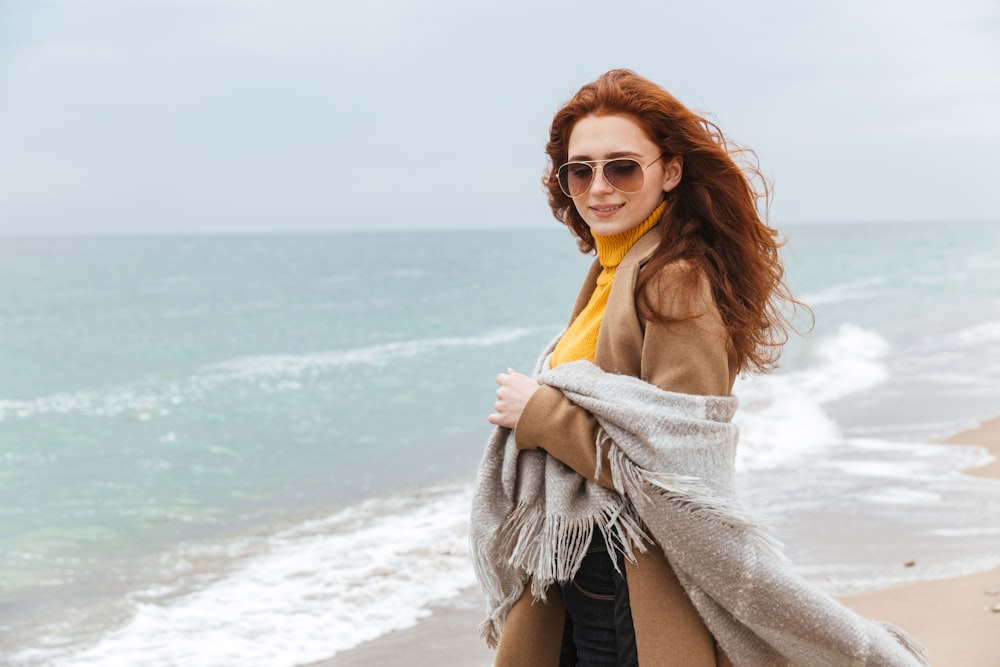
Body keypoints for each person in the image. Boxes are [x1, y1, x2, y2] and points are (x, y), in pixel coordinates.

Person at [471, 69, 926, 666]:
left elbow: (681, 473)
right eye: (580, 170)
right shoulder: (614, 271)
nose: (599, 187)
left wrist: (541, 414)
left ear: (671, 171)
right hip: (578, 564)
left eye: (623, 166)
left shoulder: (675, 279)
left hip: (629, 583)